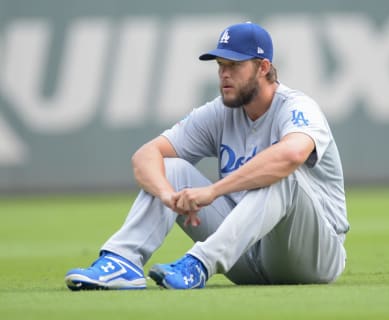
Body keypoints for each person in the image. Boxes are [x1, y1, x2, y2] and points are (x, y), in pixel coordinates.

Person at [65, 22, 349, 290]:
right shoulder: (220, 112)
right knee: (169, 168)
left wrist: (213, 191)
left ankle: (198, 263)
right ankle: (122, 261)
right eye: (220, 65)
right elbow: (146, 155)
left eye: (235, 65)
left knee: (281, 174)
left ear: (263, 67)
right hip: (244, 254)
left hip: (311, 255)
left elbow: (291, 154)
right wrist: (168, 197)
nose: (224, 73)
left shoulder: (297, 106)